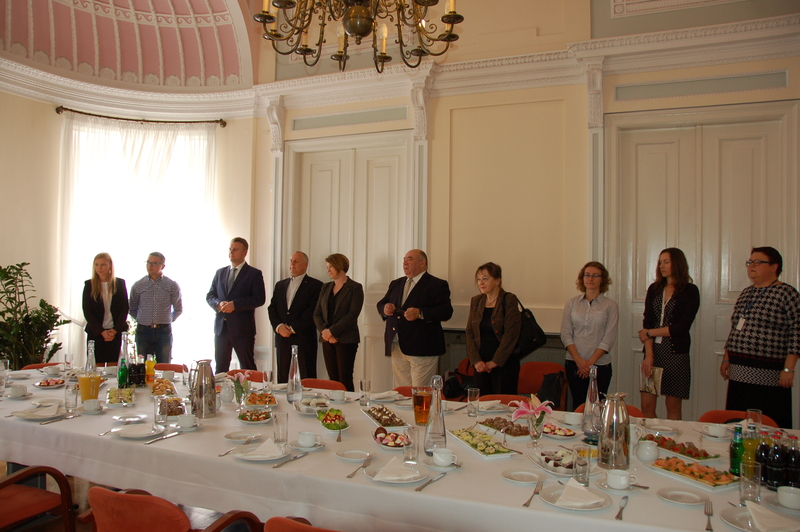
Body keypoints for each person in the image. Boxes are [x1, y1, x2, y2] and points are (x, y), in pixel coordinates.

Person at [721, 247, 799, 429]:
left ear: (774, 266)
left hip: (769, 375)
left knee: (768, 425)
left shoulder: (787, 293)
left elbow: (797, 331)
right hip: (739, 372)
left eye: (758, 262)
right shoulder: (746, 293)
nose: (751, 266)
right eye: (750, 262)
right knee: (738, 423)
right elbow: (735, 327)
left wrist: (789, 369)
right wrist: (726, 357)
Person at [639, 247, 700, 420]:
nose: (662, 266)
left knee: (672, 406)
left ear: (678, 263)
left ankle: (672, 436)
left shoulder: (690, 291)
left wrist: (650, 332)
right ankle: (649, 435)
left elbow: (681, 327)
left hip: (676, 353)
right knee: (647, 405)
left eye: (666, 262)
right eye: (660, 262)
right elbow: (647, 321)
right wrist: (648, 356)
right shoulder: (654, 289)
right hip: (653, 351)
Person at [377, 249, 453, 387]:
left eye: (410, 259)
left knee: (420, 393)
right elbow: (381, 304)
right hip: (397, 345)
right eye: (404, 260)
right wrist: (385, 309)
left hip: (422, 348)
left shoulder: (437, 284)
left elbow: (446, 312)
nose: (405, 263)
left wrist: (420, 313)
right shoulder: (396, 283)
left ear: (422, 263)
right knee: (402, 393)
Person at [560, 261, 618, 408]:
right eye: (587, 275)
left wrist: (589, 363)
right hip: (574, 363)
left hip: (600, 365)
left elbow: (609, 338)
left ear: (602, 279)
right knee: (578, 406)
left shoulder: (610, 305)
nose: (590, 279)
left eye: (595, 275)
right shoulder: (572, 303)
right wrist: (579, 361)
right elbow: (566, 334)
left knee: (597, 408)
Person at [206, 237, 266, 373]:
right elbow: (210, 296)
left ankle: (252, 389)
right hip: (221, 329)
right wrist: (218, 304)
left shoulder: (254, 274)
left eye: (235, 250)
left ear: (245, 253)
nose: (231, 252)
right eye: (230, 249)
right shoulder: (220, 273)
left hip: (243, 329)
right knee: (220, 369)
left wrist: (235, 305)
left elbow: (259, 299)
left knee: (248, 368)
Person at [465, 262, 522, 395]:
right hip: (481, 364)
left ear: (497, 281)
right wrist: (476, 360)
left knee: (503, 402)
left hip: (504, 363)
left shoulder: (509, 299)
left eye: (485, 278)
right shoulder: (476, 301)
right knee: (482, 402)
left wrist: (495, 362)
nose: (481, 283)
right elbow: (470, 332)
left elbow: (511, 334)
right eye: (478, 279)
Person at [268, 252, 323, 382]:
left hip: (304, 339)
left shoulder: (316, 285)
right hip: (282, 339)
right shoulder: (280, 285)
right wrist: (279, 327)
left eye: (296, 261)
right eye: (291, 261)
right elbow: (272, 308)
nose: (292, 264)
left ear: (306, 265)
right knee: (282, 379)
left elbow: (313, 311)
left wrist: (293, 328)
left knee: (306, 378)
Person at [313, 254, 364, 391]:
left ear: (340, 266)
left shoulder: (355, 287)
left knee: (345, 378)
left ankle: (350, 405)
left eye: (331, 266)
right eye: (327, 267)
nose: (328, 270)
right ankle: (335, 405)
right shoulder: (325, 287)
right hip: (327, 339)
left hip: (347, 339)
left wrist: (331, 331)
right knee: (333, 380)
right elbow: (317, 313)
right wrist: (326, 332)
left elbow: (352, 315)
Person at [128, 252, 182, 363]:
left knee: (164, 365)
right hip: (143, 331)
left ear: (163, 266)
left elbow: (178, 309)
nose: (150, 266)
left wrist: (167, 319)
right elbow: (132, 308)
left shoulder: (171, 285)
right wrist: (142, 319)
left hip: (163, 332)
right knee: (143, 366)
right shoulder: (138, 285)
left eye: (154, 263)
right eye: (148, 262)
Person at [82, 252, 129, 365]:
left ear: (110, 265)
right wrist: (101, 332)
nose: (99, 268)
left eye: (103, 264)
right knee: (96, 367)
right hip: (96, 332)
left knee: (114, 367)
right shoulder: (89, 285)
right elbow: (87, 312)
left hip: (114, 332)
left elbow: (124, 308)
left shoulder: (119, 283)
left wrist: (115, 330)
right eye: (96, 264)